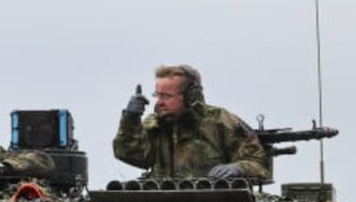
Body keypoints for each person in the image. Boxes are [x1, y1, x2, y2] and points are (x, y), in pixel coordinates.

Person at [112, 64, 270, 181]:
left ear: (191, 97)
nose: (159, 103)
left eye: (166, 96)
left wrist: (239, 168)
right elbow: (130, 155)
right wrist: (131, 119)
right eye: (157, 95)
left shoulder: (221, 122)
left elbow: (259, 164)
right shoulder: (156, 125)